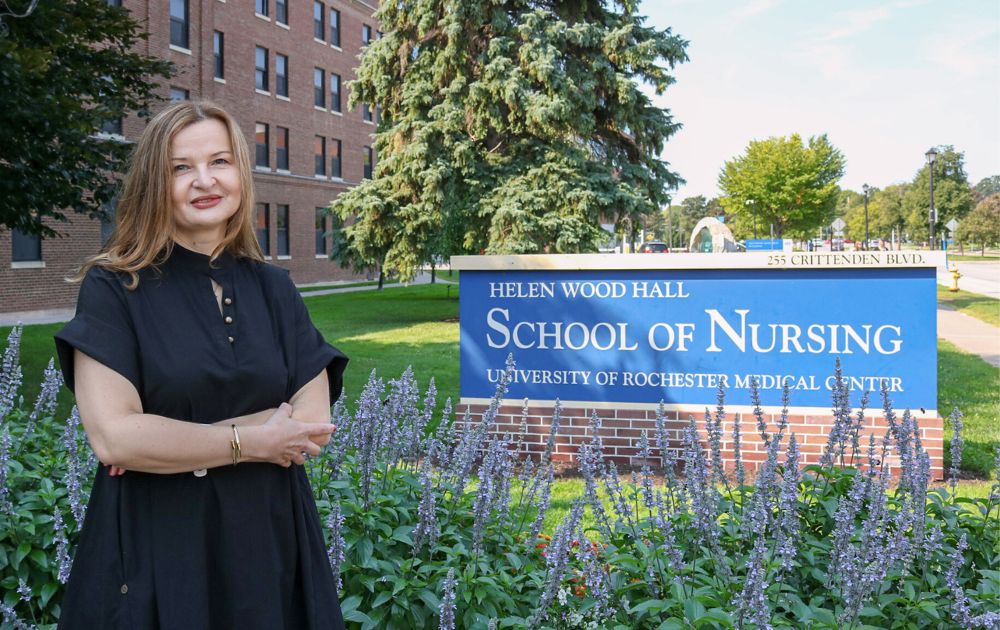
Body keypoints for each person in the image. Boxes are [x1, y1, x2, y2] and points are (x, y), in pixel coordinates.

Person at [54, 101, 348, 629]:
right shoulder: (114, 288)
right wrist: (255, 440)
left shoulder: (274, 288)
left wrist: (165, 441)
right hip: (159, 546)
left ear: (240, 173)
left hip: (268, 543)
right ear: (153, 183)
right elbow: (115, 440)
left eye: (220, 161)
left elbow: (310, 425)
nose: (204, 181)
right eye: (180, 168)